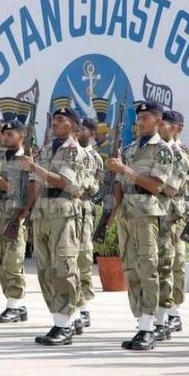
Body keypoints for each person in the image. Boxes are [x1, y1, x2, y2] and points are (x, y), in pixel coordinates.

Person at [106, 101, 173, 350]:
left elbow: (156, 185)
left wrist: (125, 169)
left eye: (146, 117)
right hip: (128, 213)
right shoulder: (130, 148)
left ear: (158, 121)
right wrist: (112, 213)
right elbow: (120, 185)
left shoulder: (163, 150)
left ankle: (150, 325)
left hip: (146, 211)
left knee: (148, 266)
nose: (140, 121)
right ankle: (141, 323)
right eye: (139, 118)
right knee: (131, 268)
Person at [19, 106, 86, 346]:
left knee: (64, 266)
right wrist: (27, 211)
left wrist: (35, 167)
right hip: (43, 212)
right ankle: (59, 319)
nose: (54, 123)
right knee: (45, 269)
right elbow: (36, 183)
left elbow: (66, 182)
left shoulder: (74, 152)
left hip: (63, 211)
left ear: (73, 126)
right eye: (53, 119)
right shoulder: (46, 150)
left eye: (60, 119)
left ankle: (65, 324)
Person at [0, 120, 30, 324]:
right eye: (4, 135)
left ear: (21, 135)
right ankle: (15, 303)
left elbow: (25, 190)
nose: (6, 138)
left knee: (13, 260)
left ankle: (15, 304)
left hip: (15, 213)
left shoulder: (27, 159)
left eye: (10, 134)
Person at [154, 110, 189, 336]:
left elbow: (170, 187)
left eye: (164, 124)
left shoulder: (181, 154)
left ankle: (172, 313)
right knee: (157, 263)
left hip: (172, 213)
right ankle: (162, 313)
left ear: (177, 128)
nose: (159, 126)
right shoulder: (155, 151)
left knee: (173, 262)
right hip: (154, 212)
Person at [76, 117, 103, 327]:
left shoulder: (94, 157)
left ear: (92, 134)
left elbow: (95, 187)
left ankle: (84, 307)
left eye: (83, 129)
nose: (79, 131)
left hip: (83, 209)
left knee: (83, 257)